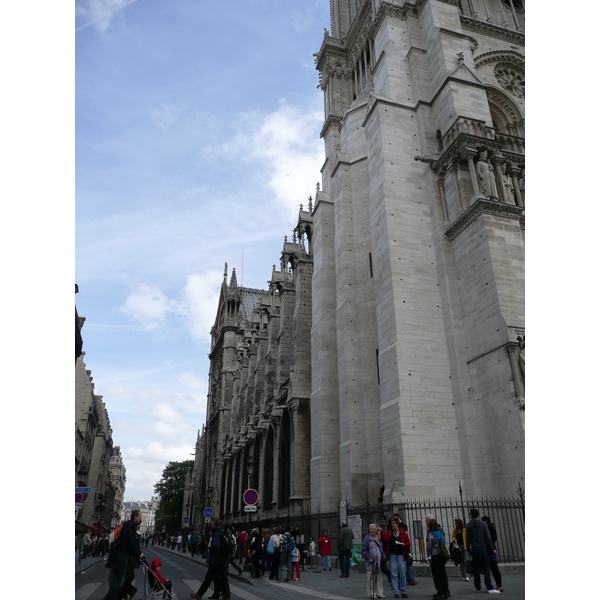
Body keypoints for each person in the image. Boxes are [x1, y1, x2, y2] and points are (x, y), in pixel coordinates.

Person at [102, 509, 145, 600]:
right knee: (120, 579)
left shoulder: (128, 524)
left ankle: (123, 594)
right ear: (135, 517)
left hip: (124, 555)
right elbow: (132, 541)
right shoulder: (131, 526)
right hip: (122, 555)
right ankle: (110, 598)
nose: (141, 518)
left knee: (130, 576)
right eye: (140, 516)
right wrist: (138, 554)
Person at [190, 518, 230, 600]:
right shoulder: (221, 531)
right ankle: (223, 595)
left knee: (208, 577)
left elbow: (215, 545)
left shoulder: (216, 532)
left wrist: (210, 549)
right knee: (221, 577)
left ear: (214, 524)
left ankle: (199, 594)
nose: (210, 524)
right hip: (221, 559)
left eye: (211, 523)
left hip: (216, 559)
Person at [466, 508, 499, 594]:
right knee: (486, 568)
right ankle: (489, 586)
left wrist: (469, 549)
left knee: (476, 568)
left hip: (475, 549)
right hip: (483, 548)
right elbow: (488, 538)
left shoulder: (468, 525)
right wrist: (492, 548)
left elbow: (468, 539)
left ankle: (477, 587)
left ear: (471, 515)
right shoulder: (483, 525)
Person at [385, 517, 410, 599]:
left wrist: (404, 545)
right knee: (393, 573)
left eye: (393, 523)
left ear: (397, 524)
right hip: (392, 555)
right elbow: (385, 539)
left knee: (402, 573)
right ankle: (396, 591)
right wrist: (381, 531)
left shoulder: (403, 533)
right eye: (391, 523)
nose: (392, 525)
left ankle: (403, 591)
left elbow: (408, 543)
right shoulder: (390, 533)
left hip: (400, 555)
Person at [426, 518, 450, 600]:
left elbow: (429, 547)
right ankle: (446, 591)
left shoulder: (431, 534)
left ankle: (440, 592)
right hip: (442, 556)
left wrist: (428, 554)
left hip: (435, 556)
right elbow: (443, 542)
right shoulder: (440, 533)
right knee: (443, 573)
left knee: (436, 575)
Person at [362, 523, 385, 599]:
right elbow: (364, 549)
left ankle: (380, 592)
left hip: (379, 560)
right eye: (370, 529)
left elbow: (384, 546)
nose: (370, 531)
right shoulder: (367, 538)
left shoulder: (380, 537)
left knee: (379, 577)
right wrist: (368, 558)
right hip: (370, 561)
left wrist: (384, 554)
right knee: (371, 577)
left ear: (376, 530)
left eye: (372, 529)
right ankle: (372, 593)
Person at [481, 516, 503, 593]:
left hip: (491, 550)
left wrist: (489, 544)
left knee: (494, 569)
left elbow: (493, 538)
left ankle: (499, 586)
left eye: (483, 521)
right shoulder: (486, 528)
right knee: (492, 568)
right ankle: (498, 585)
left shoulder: (490, 528)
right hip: (489, 550)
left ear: (486, 521)